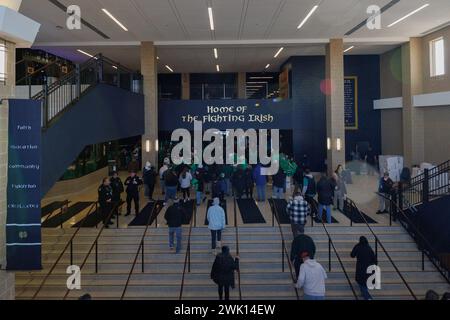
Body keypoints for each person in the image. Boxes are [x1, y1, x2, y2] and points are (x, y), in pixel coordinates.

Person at [351, 236, 378, 300]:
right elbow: (375, 260)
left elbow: (352, 255)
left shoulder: (358, 247)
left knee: (362, 283)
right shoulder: (369, 248)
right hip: (369, 269)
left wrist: (356, 245)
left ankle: (368, 297)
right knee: (364, 283)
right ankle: (365, 294)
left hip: (361, 269)